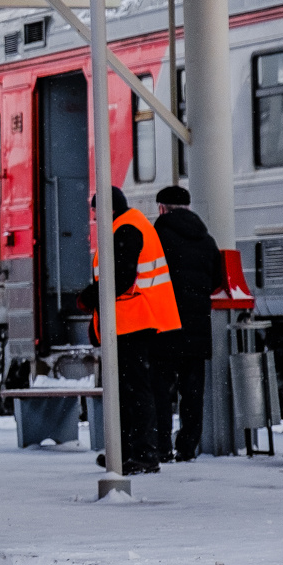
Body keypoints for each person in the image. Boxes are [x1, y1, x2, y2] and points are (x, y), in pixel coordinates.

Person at [81, 187, 182, 474]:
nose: (94, 219)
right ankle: (127, 450)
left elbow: (121, 278)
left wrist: (89, 297)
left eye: (95, 213)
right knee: (129, 390)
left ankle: (144, 453)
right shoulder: (129, 224)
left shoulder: (126, 229)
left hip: (135, 321)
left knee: (134, 391)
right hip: (132, 321)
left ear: (106, 210)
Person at [152, 184, 223, 461]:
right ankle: (187, 447)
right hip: (197, 328)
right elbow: (216, 280)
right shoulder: (207, 240)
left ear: (162, 208)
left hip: (165, 325)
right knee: (192, 392)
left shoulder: (157, 236)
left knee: (161, 390)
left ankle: (161, 446)